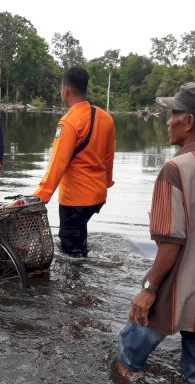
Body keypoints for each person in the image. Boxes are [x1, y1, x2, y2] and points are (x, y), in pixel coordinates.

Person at [115, 83, 195, 384]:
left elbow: (171, 241)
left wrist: (149, 288)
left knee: (126, 358)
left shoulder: (174, 169)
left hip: (175, 286)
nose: (167, 121)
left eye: (173, 113)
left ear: (189, 121)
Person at [32, 66, 115, 257]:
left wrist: (40, 196)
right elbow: (108, 157)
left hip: (75, 200)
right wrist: (106, 183)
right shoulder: (106, 119)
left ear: (65, 90)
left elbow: (57, 164)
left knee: (71, 255)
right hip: (97, 196)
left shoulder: (69, 122)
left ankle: (75, 285)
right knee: (79, 240)